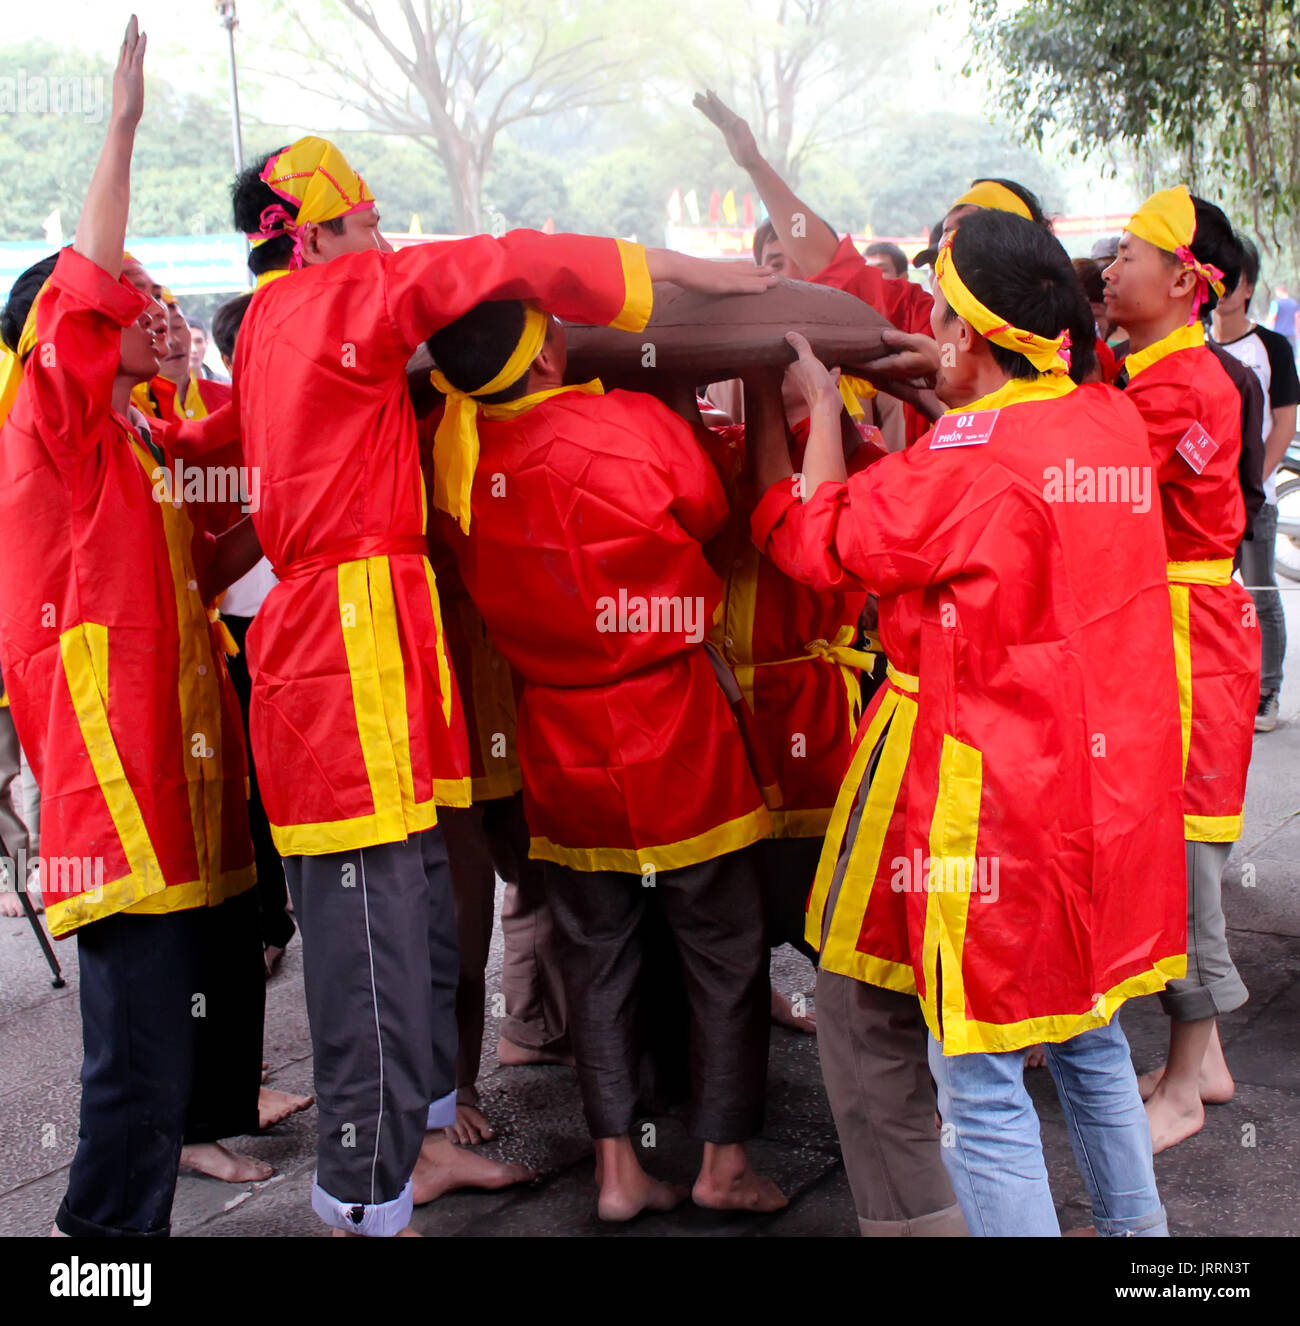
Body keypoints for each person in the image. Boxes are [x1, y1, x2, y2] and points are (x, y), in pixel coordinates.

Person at [222, 133, 777, 1237]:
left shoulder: (369, 402)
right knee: (385, 950)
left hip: (458, 693)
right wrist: (706, 278)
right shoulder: (354, 304)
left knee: (466, 932)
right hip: (417, 677)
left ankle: (462, 1148)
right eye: (367, 221)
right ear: (315, 232)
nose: (383, 239)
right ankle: (365, 1194)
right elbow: (522, 258)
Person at [773, 207, 1185, 1236]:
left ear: (968, 334)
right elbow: (1006, 450)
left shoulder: (965, 461)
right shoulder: (1105, 417)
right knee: (1091, 1043)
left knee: (983, 1084)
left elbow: (818, 545)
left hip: (995, 804)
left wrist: (820, 412)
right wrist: (946, 378)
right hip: (1105, 795)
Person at [426, 300, 786, 1222]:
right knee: (723, 948)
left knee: (595, 959)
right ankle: (722, 1162)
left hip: (558, 733)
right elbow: (711, 509)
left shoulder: (459, 457)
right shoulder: (627, 423)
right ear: (547, 353)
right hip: (672, 721)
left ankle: (618, 1172)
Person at [0, 19, 268, 1236]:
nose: (145, 313)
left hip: (176, 773)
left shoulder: (137, 443)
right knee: (131, 1064)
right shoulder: (48, 433)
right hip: (116, 791)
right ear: (64, 340)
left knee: (162, 1054)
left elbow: (224, 541)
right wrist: (121, 126)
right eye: (127, 306)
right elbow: (85, 276)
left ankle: (119, 1240)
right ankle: (97, 1256)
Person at [1103, 185, 1261, 1152]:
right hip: (1173, 627)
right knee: (1169, 838)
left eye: (1130, 253)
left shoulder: (1176, 386)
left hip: (1185, 639)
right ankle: (1199, 1059)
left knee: (1184, 844)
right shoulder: (1156, 372)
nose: (1111, 268)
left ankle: (1186, 1082)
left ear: (1185, 280)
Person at [1210, 236, 1297, 732]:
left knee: (1262, 593)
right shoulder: (1195, 345)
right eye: (1215, 275)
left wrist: (1254, 485)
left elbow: (1283, 422)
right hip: (1207, 499)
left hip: (1254, 495)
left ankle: (1268, 691)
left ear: (1247, 286)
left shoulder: (1272, 348)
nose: (1223, 285)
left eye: (1233, 277)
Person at [1269, 282, 1297, 352]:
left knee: (1278, 355)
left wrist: (1266, 330)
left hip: (1278, 333)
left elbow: (1272, 318)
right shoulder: (1294, 303)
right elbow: (1297, 318)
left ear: (1279, 291)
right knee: (1292, 355)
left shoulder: (1276, 303)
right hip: (1291, 333)